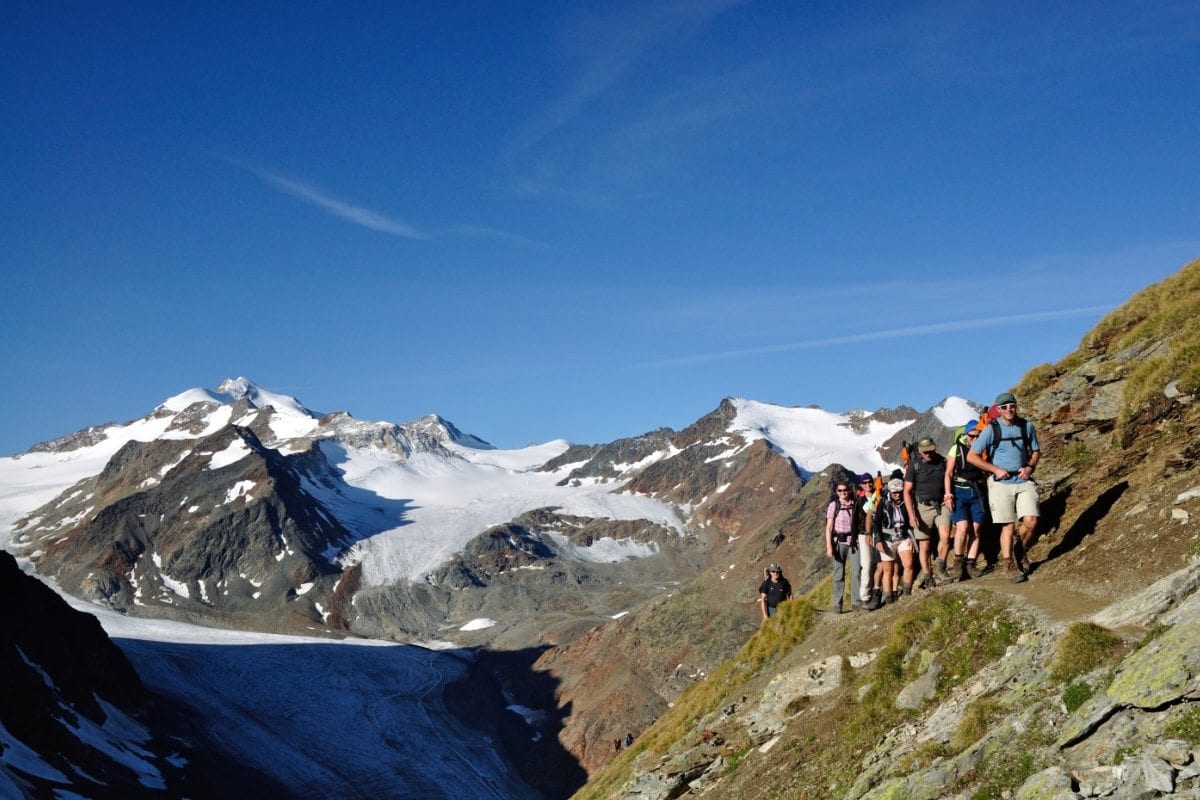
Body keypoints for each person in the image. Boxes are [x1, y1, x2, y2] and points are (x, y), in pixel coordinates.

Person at [967, 392, 1041, 583]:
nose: (1009, 409)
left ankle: (1019, 548)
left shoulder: (1027, 426)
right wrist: (995, 469)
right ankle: (1009, 564)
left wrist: (1030, 467)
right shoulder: (991, 429)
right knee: (1007, 526)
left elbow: (1036, 451)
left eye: (1012, 405)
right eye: (1005, 406)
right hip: (1000, 483)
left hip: (1023, 480)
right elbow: (972, 456)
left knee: (1031, 521)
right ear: (998, 410)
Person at [904, 437, 953, 586]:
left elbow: (949, 477)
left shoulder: (942, 461)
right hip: (922, 507)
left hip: (942, 504)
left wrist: (949, 496)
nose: (928, 454)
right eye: (925, 452)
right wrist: (912, 515)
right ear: (920, 451)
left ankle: (940, 565)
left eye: (930, 450)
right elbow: (907, 491)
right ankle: (928, 576)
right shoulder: (915, 465)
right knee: (924, 546)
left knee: (945, 536)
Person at [944, 421, 988, 581]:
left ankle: (971, 563)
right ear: (966, 435)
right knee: (962, 528)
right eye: (972, 436)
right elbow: (948, 473)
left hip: (978, 491)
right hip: (959, 491)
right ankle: (958, 561)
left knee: (976, 529)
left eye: (978, 436)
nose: (975, 439)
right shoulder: (956, 449)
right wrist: (948, 494)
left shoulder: (984, 448)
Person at [869, 478, 915, 606]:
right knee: (888, 570)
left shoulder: (907, 501)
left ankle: (907, 594)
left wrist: (911, 536)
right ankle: (889, 599)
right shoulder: (883, 502)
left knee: (909, 565)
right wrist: (878, 540)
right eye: (895, 492)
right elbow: (876, 522)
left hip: (904, 536)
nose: (898, 494)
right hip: (888, 539)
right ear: (889, 491)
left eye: (900, 491)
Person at [825, 479, 862, 613]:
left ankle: (856, 602)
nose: (842, 492)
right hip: (838, 542)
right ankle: (837, 604)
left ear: (849, 490)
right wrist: (829, 547)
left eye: (845, 490)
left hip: (854, 542)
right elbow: (829, 527)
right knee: (838, 574)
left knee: (856, 571)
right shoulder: (834, 505)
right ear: (836, 492)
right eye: (840, 490)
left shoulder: (855, 503)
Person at [855, 473, 879, 610]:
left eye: (870, 481)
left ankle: (877, 590)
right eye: (864, 483)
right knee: (867, 564)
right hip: (864, 534)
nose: (868, 484)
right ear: (861, 485)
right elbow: (856, 519)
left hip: (881, 533)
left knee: (878, 564)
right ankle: (865, 596)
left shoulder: (880, 494)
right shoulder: (859, 500)